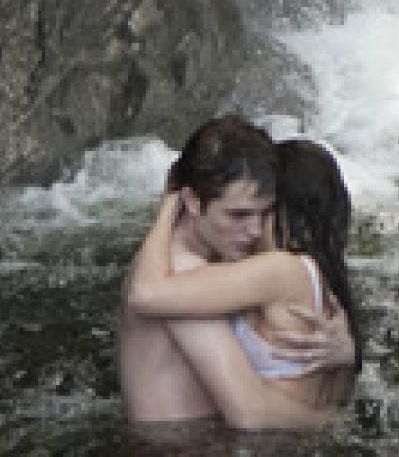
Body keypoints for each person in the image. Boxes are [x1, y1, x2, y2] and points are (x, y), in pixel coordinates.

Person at [117, 115, 356, 431]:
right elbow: (250, 412)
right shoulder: (179, 272)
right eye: (238, 215)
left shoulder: (214, 264)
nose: (255, 230)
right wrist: (333, 426)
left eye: (264, 213)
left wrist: (346, 354)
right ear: (191, 201)